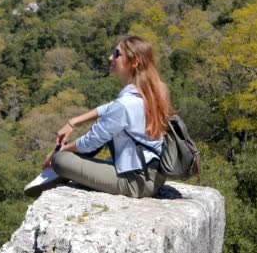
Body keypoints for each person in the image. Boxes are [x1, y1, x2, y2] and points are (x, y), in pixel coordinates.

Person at [42, 35, 170, 198]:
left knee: (61, 160)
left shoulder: (125, 104)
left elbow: (90, 142)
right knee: (99, 136)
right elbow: (108, 108)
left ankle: (61, 172)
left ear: (134, 62)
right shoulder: (154, 91)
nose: (111, 57)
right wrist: (73, 122)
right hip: (152, 174)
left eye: (117, 54)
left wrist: (57, 152)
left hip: (135, 182)